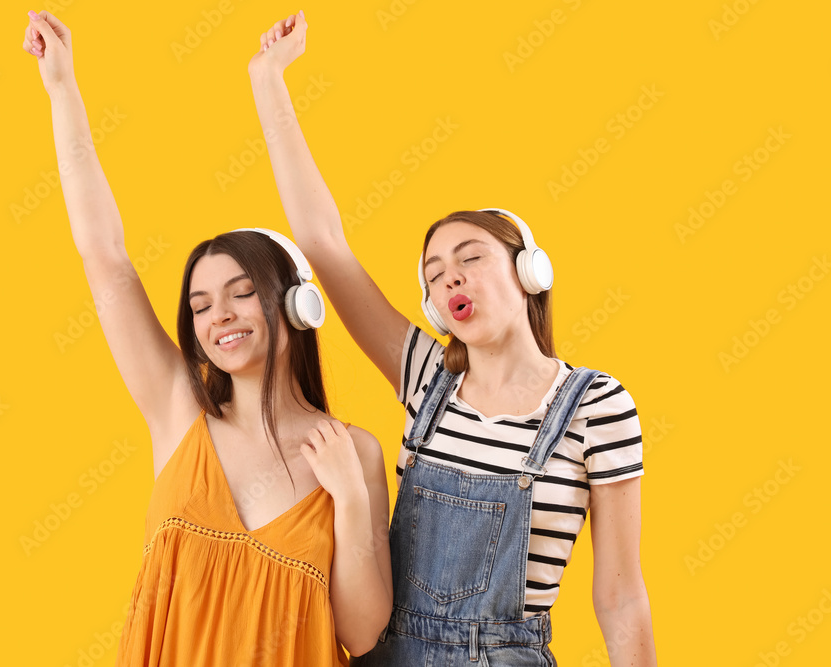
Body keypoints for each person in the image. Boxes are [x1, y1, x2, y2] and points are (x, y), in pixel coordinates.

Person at [249, 11, 657, 666]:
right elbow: (323, 241)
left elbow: (619, 596)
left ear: (530, 272)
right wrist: (268, 79)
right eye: (435, 274)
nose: (451, 277)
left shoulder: (598, 407)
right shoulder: (424, 376)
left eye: (470, 257)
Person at [21, 10, 392, 664]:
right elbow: (104, 253)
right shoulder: (176, 411)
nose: (219, 314)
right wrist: (61, 87)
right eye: (200, 305)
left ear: (298, 303)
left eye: (242, 292)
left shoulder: (353, 452)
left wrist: (353, 501)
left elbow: (360, 634)